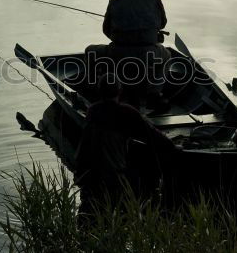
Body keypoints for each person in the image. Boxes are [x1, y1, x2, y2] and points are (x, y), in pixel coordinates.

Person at [74, 77, 178, 217]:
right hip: (115, 174)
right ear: (120, 91)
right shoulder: (126, 112)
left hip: (90, 174)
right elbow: (153, 136)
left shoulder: (93, 110)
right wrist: (174, 147)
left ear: (99, 91)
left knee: (91, 215)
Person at [87, 0, 170, 107]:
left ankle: (93, 92)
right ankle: (154, 93)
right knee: (167, 55)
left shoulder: (115, 0)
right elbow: (162, 23)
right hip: (149, 53)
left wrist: (123, 39)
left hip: (118, 53)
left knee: (90, 51)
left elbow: (106, 30)